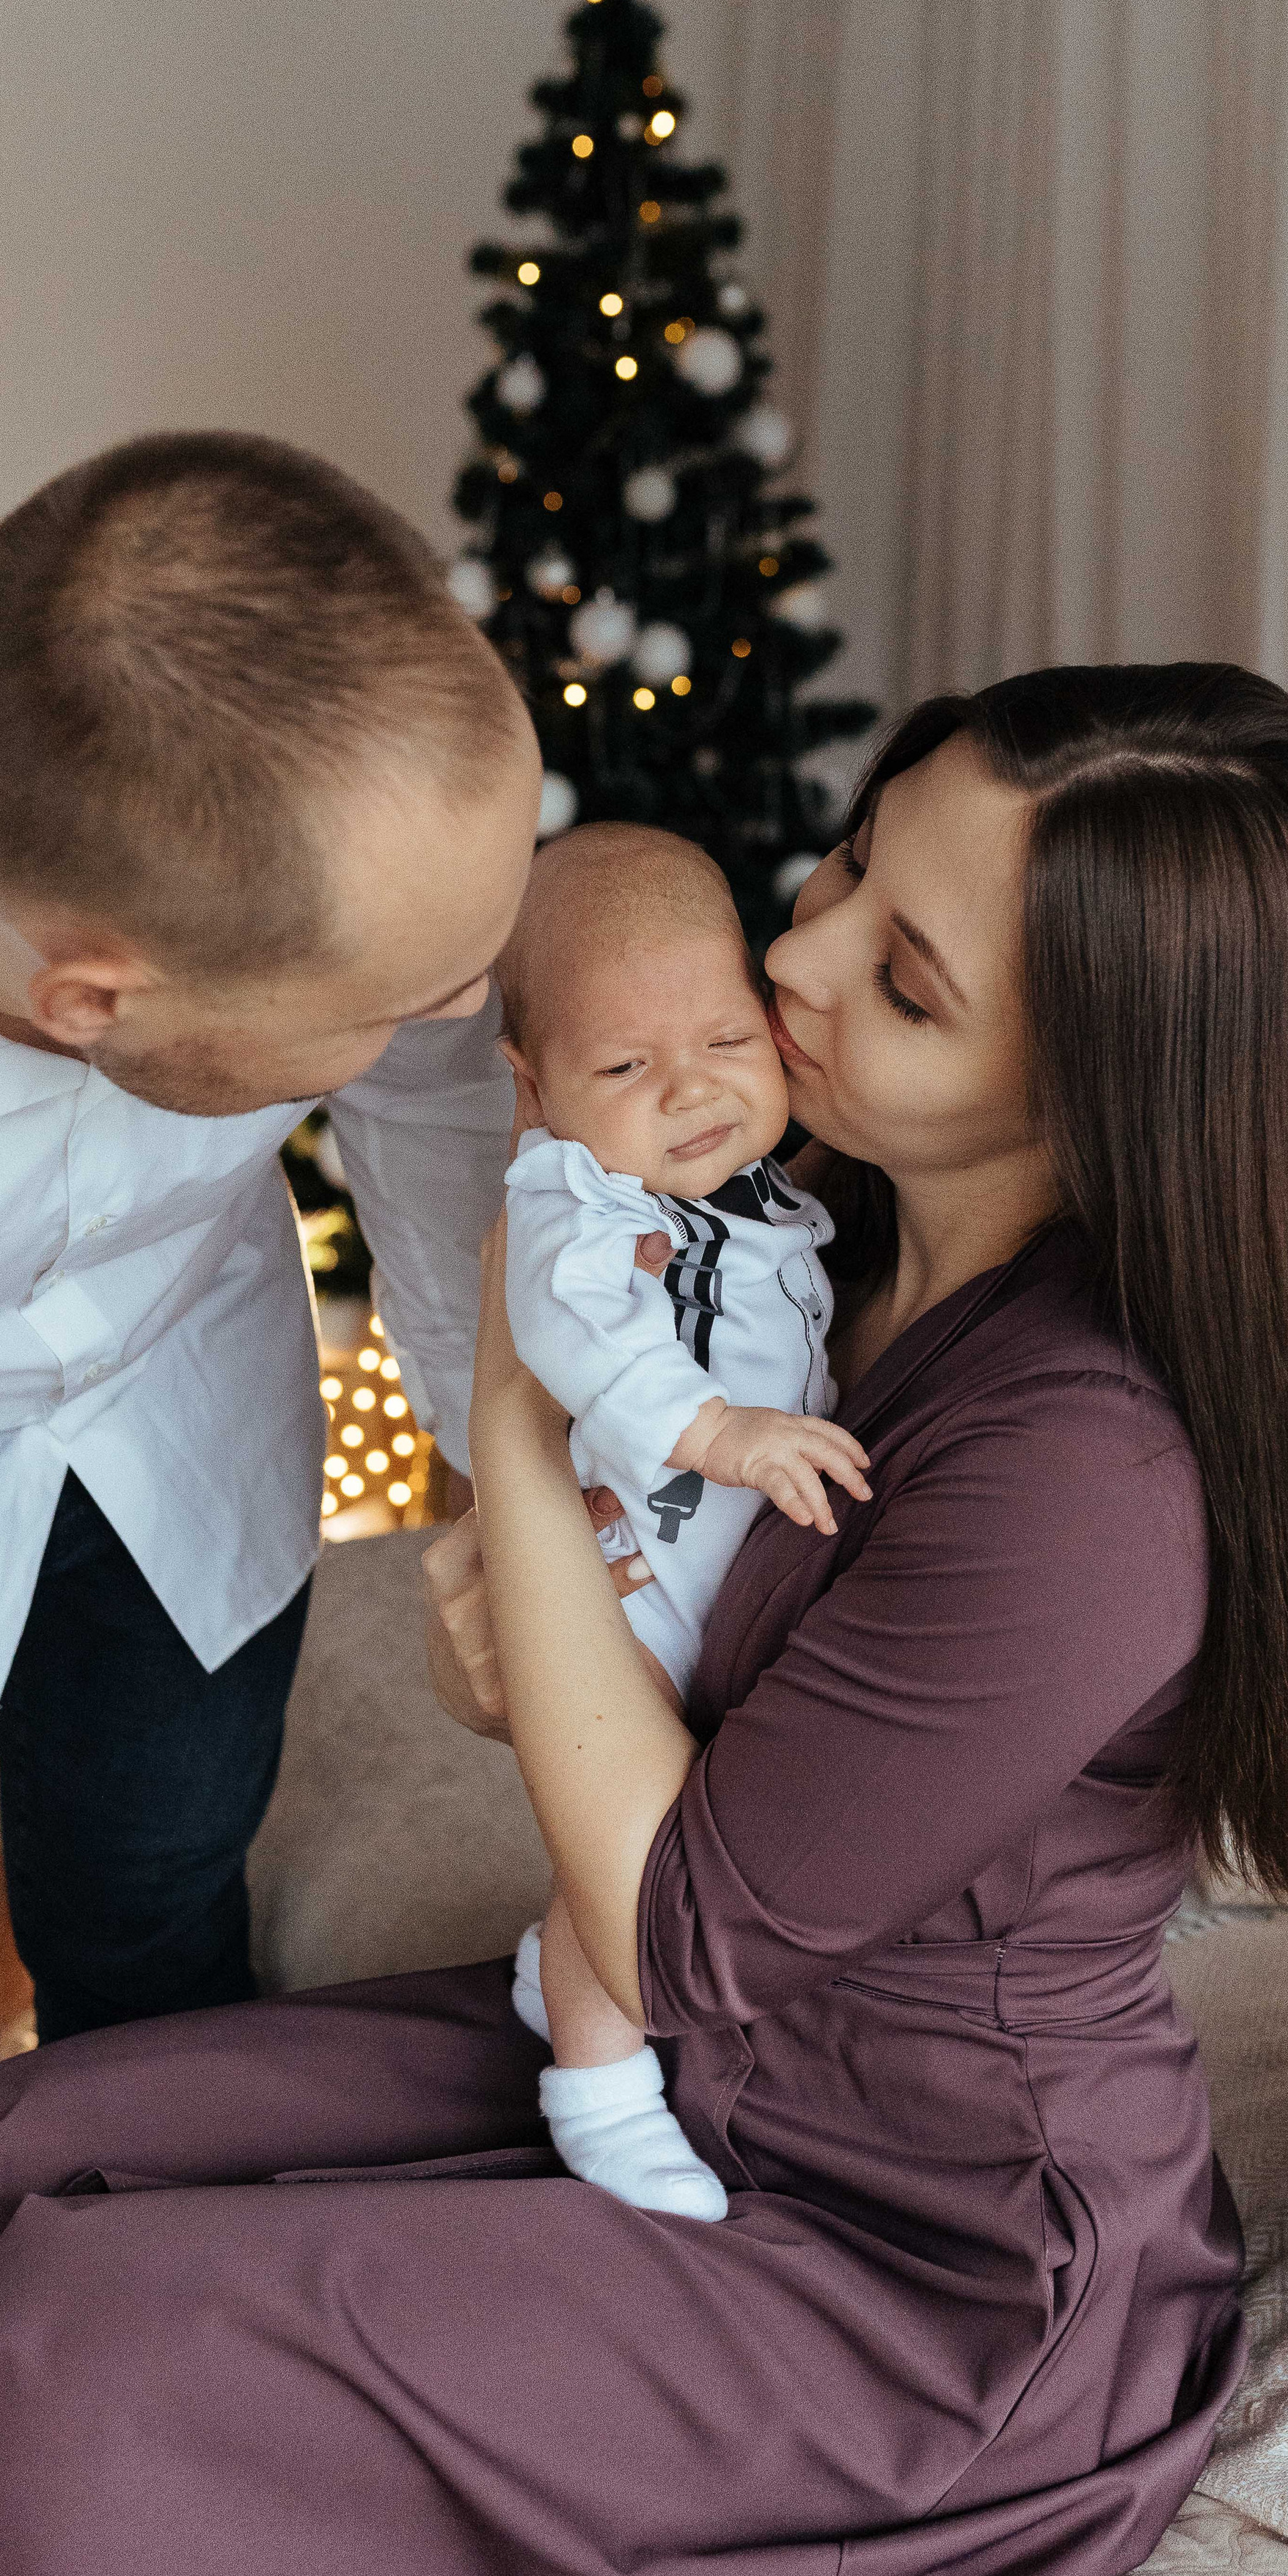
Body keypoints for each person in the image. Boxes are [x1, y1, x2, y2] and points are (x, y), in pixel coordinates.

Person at [0, 663, 1288, 2576]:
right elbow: (612, 1674)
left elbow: (672, 1912)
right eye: (837, 868)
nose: (795, 963)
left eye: (904, 979)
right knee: (8, 2150)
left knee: (107, 2342)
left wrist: (503, 1413)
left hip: (929, 2275)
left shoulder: (1085, 1477)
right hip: (705, 2071)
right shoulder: (806, 1239)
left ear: (1106, 1089)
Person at [0, 431, 541, 2576]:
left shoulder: (292, 733)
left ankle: (115, 2514)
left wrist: (484, 1465)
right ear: (95, 1002)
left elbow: (443, 1087)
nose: (443, 1019)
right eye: (377, 1007)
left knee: (161, 1953)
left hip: (172, 1408)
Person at [495, 822, 867, 2219]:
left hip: (728, 1574)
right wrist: (722, 1434)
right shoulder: (571, 1197)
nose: (691, 1093)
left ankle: (556, 1960)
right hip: (637, 1581)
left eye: (727, 1040)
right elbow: (576, 1332)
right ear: (534, 1092)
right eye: (623, 1068)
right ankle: (596, 2087)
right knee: (641, 1854)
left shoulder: (762, 1184)